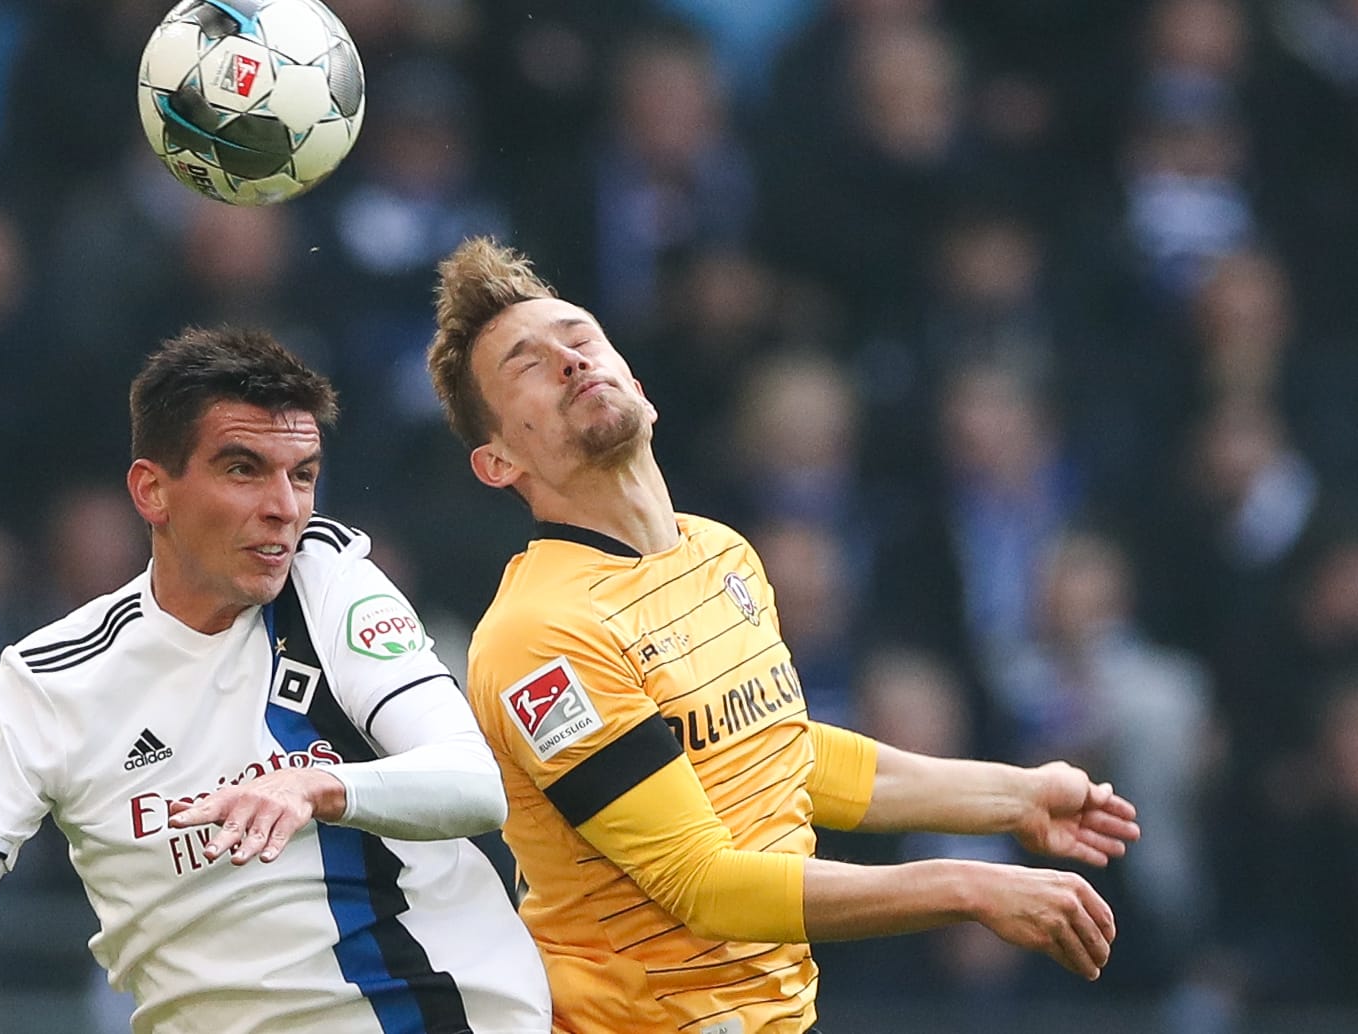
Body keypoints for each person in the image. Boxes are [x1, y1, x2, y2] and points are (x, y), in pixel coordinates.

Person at [0, 327, 552, 1034]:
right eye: (244, 469)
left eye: (301, 474)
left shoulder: (331, 585)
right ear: (152, 490)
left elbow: (473, 783)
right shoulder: (46, 682)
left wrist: (319, 787)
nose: (283, 507)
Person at [423, 237, 1142, 1033]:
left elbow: (785, 751)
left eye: (581, 338)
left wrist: (1014, 796)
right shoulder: (540, 636)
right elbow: (702, 882)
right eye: (527, 363)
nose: (569, 360)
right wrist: (967, 887)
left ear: (638, 386)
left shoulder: (719, 552)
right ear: (496, 463)